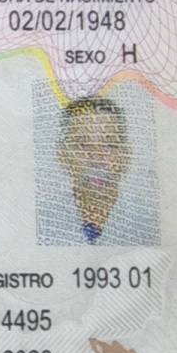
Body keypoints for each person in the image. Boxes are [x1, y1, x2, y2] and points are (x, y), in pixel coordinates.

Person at [57, 95, 131, 243]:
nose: (97, 158)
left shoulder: (145, 219)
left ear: (126, 156)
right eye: (83, 145)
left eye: (110, 145)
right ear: (63, 155)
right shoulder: (42, 218)